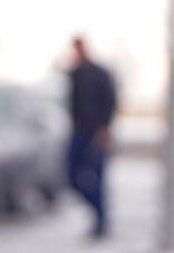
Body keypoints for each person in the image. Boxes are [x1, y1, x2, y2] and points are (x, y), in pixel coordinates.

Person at [66, 36, 117, 239]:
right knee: (71, 176)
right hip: (78, 131)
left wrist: (104, 128)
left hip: (97, 133)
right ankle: (95, 210)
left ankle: (100, 222)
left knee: (97, 178)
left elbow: (111, 101)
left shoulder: (99, 73)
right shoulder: (74, 73)